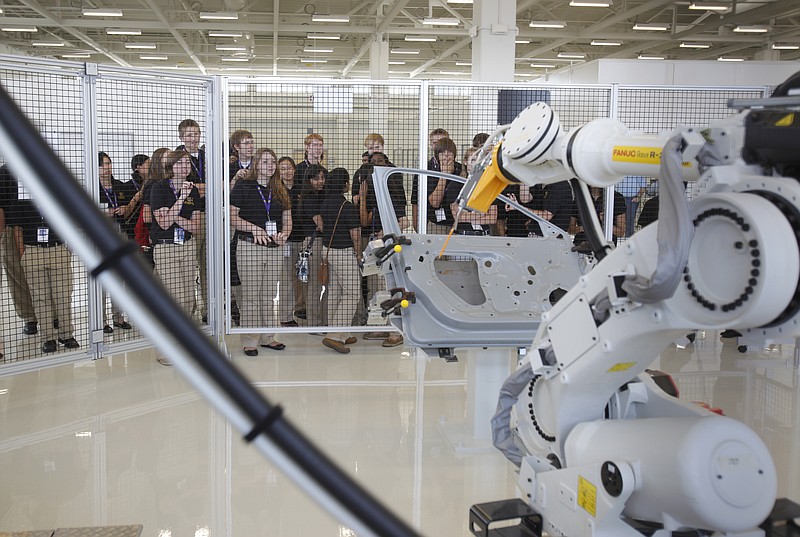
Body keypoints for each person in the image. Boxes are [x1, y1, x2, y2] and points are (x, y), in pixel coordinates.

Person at [230, 148, 290, 356]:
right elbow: (232, 217)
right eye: (265, 162)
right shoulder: (244, 186)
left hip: (274, 249)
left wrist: (284, 234)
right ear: (256, 164)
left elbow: (287, 219)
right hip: (250, 247)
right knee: (251, 295)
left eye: (272, 162)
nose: (270, 165)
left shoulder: (279, 188)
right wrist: (254, 228)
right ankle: (250, 339)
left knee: (268, 295)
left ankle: (268, 337)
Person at [149, 149, 201, 365]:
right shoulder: (158, 188)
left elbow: (196, 226)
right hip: (165, 248)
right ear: (170, 167)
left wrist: (173, 216)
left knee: (189, 298)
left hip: (187, 246)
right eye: (179, 164)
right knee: (175, 298)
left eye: (187, 163)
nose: (184, 167)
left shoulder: (195, 191)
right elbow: (162, 224)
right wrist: (181, 199)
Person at [11, 196, 79, 353]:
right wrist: (23, 254)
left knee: (63, 295)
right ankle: (48, 338)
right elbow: (17, 228)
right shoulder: (22, 197)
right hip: (33, 250)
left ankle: (66, 334)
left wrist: (68, 250)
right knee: (40, 297)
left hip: (58, 249)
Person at [357, 152, 407, 347]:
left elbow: (404, 221)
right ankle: (378, 325)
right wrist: (362, 198)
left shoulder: (394, 197)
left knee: (390, 288)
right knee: (374, 289)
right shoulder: (372, 199)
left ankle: (396, 331)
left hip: (390, 249)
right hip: (375, 249)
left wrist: (386, 234)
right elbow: (364, 221)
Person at [319, 168, 361, 355]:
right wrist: (358, 254)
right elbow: (356, 235)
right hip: (344, 253)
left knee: (335, 292)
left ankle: (340, 332)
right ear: (345, 184)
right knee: (352, 294)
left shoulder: (325, 202)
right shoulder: (347, 206)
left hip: (327, 251)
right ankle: (335, 335)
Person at [98, 151, 136, 333]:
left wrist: (124, 209)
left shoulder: (120, 186)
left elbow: (129, 209)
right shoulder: (91, 187)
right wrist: (107, 213)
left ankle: (118, 317)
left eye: (108, 164)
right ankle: (102, 320)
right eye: (102, 165)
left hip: (121, 234)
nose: (107, 168)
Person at [176, 119, 208, 322]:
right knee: (188, 266)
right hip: (189, 216)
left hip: (211, 214)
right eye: (188, 134)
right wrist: (204, 188)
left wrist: (200, 187)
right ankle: (189, 309)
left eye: (196, 133)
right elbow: (185, 188)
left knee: (209, 266)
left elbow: (220, 185)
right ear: (181, 137)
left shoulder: (208, 156)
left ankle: (208, 309)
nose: (193, 138)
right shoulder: (177, 158)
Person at [0, 164, 37, 335]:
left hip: (37, 227)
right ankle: (30, 317)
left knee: (43, 273)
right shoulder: (6, 171)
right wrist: (3, 234)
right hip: (11, 227)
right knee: (17, 274)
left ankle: (51, 315)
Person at [277, 156, 305, 326]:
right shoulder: (276, 191)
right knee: (286, 279)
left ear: (295, 169)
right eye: (283, 168)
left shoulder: (301, 189)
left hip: (302, 239)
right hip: (285, 241)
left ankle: (300, 307)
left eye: (289, 168)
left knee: (302, 277)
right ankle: (285, 316)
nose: (287, 172)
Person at [298, 164, 327, 327]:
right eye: (316, 178)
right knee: (314, 285)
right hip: (313, 243)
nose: (320, 181)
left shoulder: (320, 196)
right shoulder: (309, 198)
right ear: (309, 180)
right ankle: (313, 322)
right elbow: (321, 225)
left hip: (319, 241)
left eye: (322, 177)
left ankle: (320, 320)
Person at [411, 128, 449, 231]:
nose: (438, 146)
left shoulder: (459, 168)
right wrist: (416, 225)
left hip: (456, 225)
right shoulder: (423, 170)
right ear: (430, 145)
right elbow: (415, 200)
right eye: (435, 142)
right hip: (432, 223)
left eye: (442, 142)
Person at [426, 137, 464, 234]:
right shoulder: (430, 171)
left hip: (460, 223)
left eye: (449, 153)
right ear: (437, 156)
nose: (446, 157)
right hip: (438, 225)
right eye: (442, 153)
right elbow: (435, 203)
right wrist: (444, 175)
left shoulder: (461, 170)